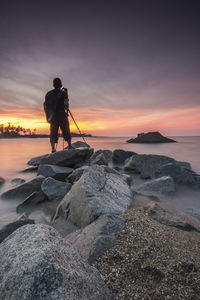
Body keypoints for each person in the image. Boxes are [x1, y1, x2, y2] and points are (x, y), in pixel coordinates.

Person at [44, 78, 72, 153]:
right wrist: (67, 111)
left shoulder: (48, 94)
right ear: (60, 84)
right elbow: (66, 103)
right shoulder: (63, 93)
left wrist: (47, 116)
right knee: (66, 130)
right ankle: (69, 146)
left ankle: (53, 149)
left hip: (52, 116)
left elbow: (45, 106)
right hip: (62, 114)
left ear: (53, 85)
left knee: (53, 132)